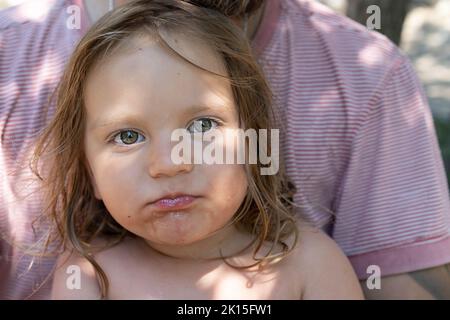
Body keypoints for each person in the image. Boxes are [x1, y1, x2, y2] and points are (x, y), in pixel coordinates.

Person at [0, 0, 449, 299]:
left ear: (255, 143)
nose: (169, 163)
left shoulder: (310, 266)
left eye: (203, 126)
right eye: (127, 136)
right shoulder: (89, 277)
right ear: (88, 172)